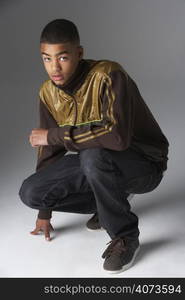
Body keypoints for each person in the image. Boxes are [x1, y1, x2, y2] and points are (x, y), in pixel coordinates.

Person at [19, 19, 169, 274]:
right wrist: (45, 211)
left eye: (63, 57)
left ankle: (125, 236)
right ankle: (107, 202)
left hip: (144, 163)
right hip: (97, 162)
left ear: (79, 53)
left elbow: (117, 137)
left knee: (92, 154)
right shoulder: (47, 92)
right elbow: (49, 152)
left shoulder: (108, 75)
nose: (54, 67)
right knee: (32, 192)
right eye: (46, 58)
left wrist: (55, 135)